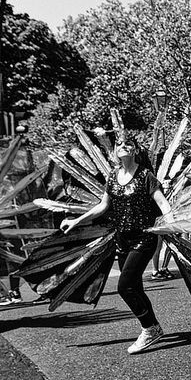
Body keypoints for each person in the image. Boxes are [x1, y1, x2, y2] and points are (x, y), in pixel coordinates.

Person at [59, 138, 173, 354]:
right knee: (135, 286)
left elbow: (162, 203)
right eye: (119, 144)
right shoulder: (112, 177)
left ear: (136, 150)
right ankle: (154, 327)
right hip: (122, 239)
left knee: (124, 286)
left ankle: (149, 328)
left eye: (128, 143)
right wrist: (76, 221)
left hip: (144, 238)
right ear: (114, 152)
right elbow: (102, 206)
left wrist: (172, 222)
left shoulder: (146, 176)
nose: (123, 146)